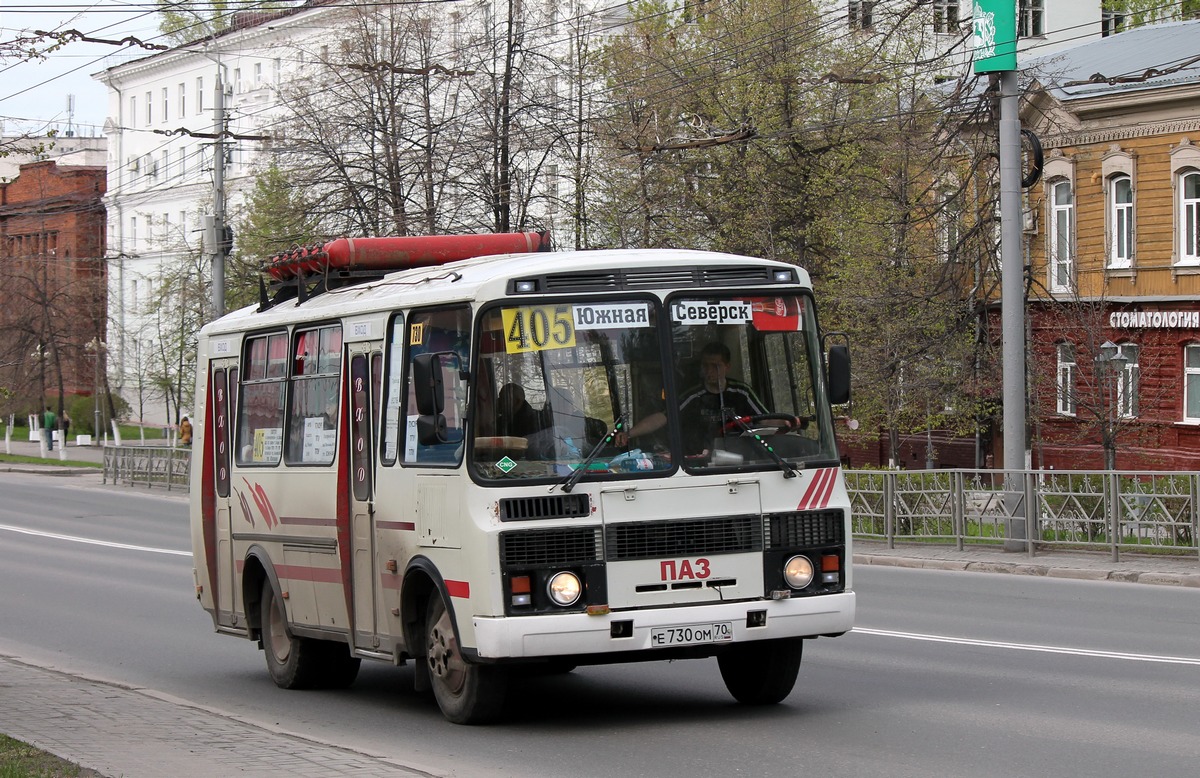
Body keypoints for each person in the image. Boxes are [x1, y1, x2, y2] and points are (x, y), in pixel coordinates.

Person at [620, 342, 770, 455]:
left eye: (715, 366)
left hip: (742, 461)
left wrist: (790, 422)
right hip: (699, 463)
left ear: (727, 367)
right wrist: (629, 434)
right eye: (706, 366)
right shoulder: (692, 395)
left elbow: (766, 420)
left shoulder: (742, 392)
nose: (709, 371)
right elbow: (663, 417)